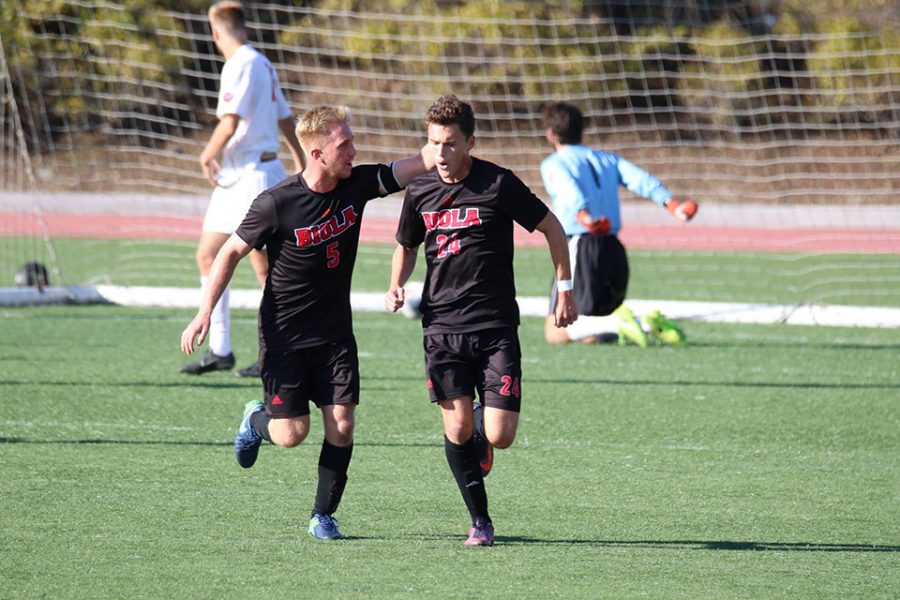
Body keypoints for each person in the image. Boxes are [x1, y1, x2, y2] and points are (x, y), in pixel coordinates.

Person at [181, 104, 433, 540]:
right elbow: (229, 253)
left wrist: (442, 143)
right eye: (344, 144)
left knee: (343, 423)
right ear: (317, 153)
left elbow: (414, 166)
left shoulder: (357, 183)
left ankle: (323, 515)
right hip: (284, 336)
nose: (354, 149)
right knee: (291, 434)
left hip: (335, 334)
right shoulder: (276, 203)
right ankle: (255, 421)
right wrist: (205, 311)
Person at [384, 95, 578, 547]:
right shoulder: (419, 191)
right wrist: (396, 283)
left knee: (500, 435)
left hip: (495, 329)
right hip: (442, 329)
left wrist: (564, 289)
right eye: (434, 144)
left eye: (451, 144)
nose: (442, 154)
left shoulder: (498, 184)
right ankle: (481, 522)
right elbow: (407, 244)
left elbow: (553, 228)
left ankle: (480, 424)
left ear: (470, 141)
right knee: (456, 429)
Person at [181, 0, 305, 377]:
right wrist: (300, 160)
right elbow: (285, 118)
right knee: (208, 255)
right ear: (245, 28)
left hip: (253, 176)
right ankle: (220, 348)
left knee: (264, 268)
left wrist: (206, 155)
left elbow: (230, 121)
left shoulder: (241, 64)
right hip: (239, 177)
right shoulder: (262, 63)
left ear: (216, 32)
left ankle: (281, 350)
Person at [539, 102, 697, 347]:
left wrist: (585, 217)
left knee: (555, 330)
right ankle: (648, 326)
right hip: (612, 247)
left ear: (550, 133)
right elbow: (641, 180)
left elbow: (569, 192)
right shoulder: (607, 159)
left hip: (581, 245)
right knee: (591, 336)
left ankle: (638, 321)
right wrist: (673, 204)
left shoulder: (554, 163)